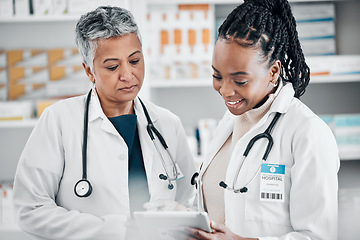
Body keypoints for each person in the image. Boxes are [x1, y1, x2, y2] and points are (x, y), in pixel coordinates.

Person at [13, 6, 196, 240]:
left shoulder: (167, 123)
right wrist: (113, 230)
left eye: (135, 60)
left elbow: (189, 200)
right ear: (89, 71)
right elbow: (31, 209)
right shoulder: (59, 120)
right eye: (112, 66)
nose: (128, 74)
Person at [188, 0, 340, 239]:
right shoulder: (229, 123)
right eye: (217, 75)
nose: (226, 91)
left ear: (273, 72)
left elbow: (318, 236)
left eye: (239, 81)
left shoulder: (307, 133)